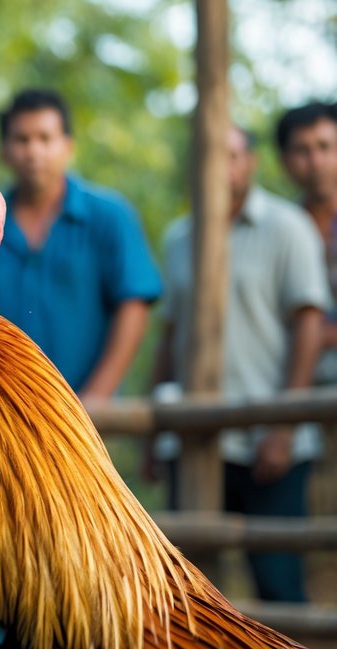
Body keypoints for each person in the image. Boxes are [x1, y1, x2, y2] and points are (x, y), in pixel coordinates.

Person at [154, 124, 329, 603]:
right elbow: (172, 333)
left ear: (249, 162)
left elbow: (309, 323)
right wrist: (157, 430)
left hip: (269, 441)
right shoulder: (179, 236)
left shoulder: (287, 226)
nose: (220, 167)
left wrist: (284, 424)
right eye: (209, 156)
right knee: (190, 589)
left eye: (231, 155)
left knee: (277, 583)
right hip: (195, 438)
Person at [0, 88, 162, 402]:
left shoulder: (109, 217)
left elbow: (134, 306)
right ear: (4, 150)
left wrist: (96, 398)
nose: (34, 151)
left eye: (45, 138)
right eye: (22, 139)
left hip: (88, 416)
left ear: (67, 147)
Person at [275, 102, 337, 383]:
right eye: (303, 150)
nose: (316, 162)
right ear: (284, 161)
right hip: (294, 390)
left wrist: (319, 334)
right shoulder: (279, 230)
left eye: (325, 147)